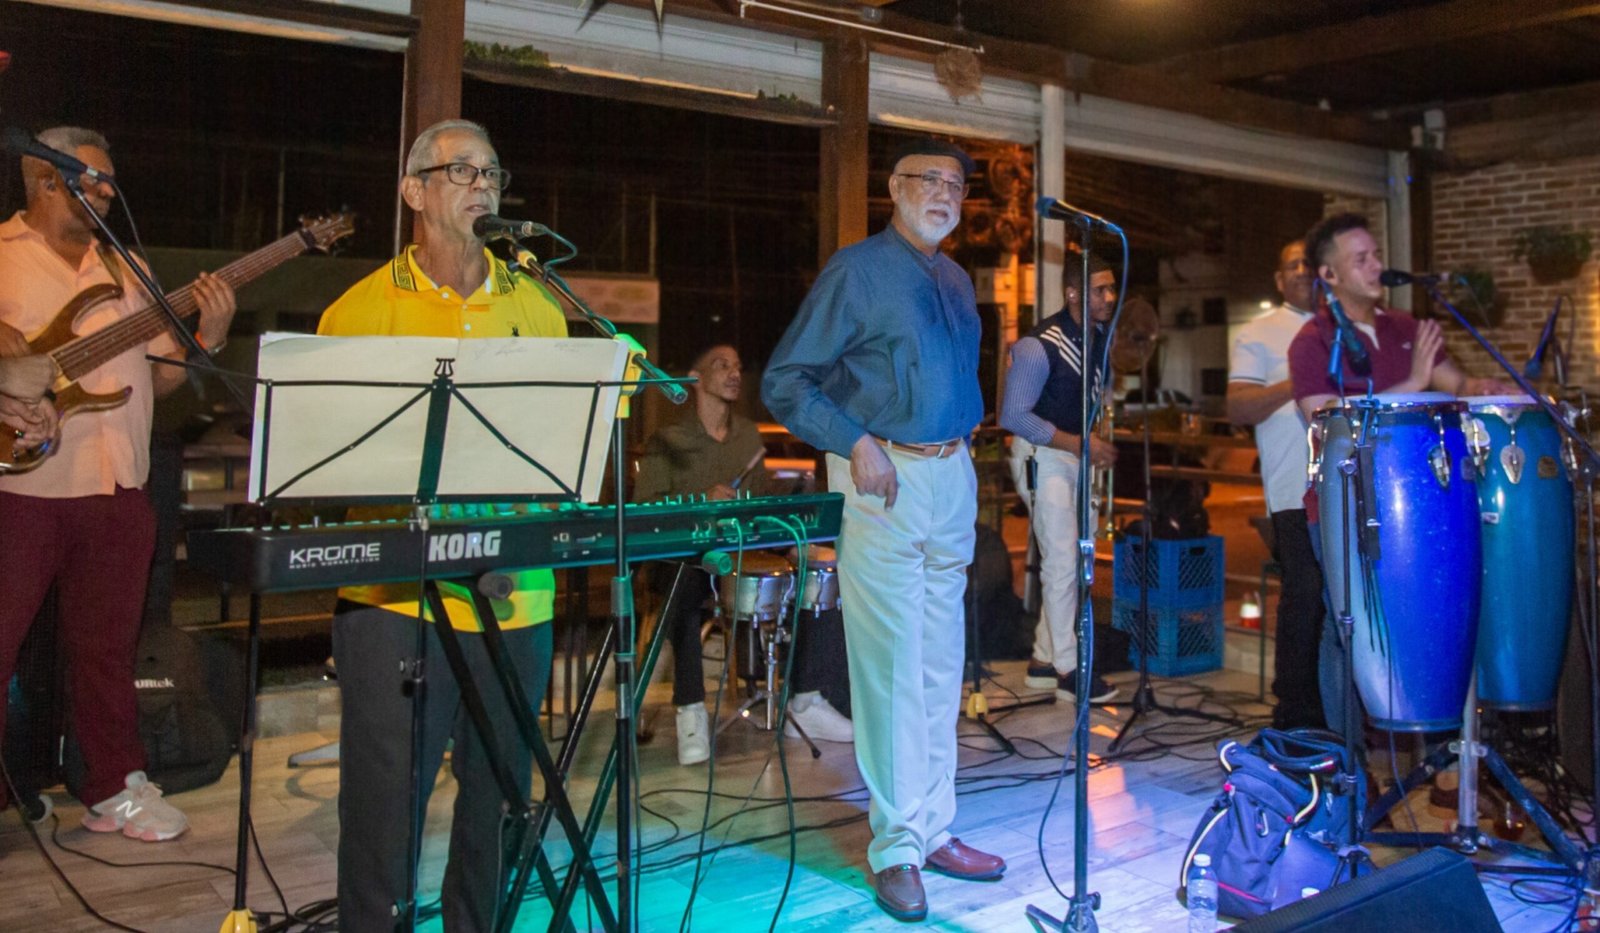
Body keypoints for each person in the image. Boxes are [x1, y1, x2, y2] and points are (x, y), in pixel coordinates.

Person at [316, 118, 566, 932]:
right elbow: (325, 454)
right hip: (398, 596)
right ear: (414, 190)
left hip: (514, 595)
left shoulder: (540, 304)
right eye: (461, 170)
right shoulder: (357, 310)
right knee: (385, 805)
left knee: (498, 802)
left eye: (491, 170)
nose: (482, 184)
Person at [763, 137, 1004, 924]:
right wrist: (854, 441)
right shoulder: (856, 270)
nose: (943, 192)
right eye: (926, 180)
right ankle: (896, 846)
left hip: (950, 472)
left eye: (955, 184)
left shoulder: (959, 280)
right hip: (882, 473)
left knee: (941, 664)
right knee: (892, 667)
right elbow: (786, 380)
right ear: (892, 190)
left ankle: (934, 828)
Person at [0, 126, 236, 840]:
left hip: (120, 488)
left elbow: (160, 378)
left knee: (107, 651)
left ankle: (113, 787)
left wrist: (211, 339)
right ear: (46, 182)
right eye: (92, 179)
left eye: (108, 178)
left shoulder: (127, 266)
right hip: (21, 489)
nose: (108, 190)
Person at [1287, 212, 1508, 733]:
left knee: (1429, 621)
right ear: (1330, 276)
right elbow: (1325, 417)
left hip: (1426, 502)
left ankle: (1436, 749)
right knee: (1347, 627)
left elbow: (1454, 384)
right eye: (1360, 259)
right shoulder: (1312, 341)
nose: (1377, 266)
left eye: (1377, 256)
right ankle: (1348, 763)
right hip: (1344, 504)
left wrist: (1486, 386)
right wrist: (1412, 381)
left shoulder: (1407, 328)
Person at [634, 343, 853, 766]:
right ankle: (690, 709)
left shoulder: (748, 436)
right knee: (685, 583)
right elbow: (648, 507)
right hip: (684, 554)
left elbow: (761, 498)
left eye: (738, 366)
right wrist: (702, 498)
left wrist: (792, 493)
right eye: (722, 365)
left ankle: (805, 699)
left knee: (820, 565)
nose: (735, 373)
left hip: (741, 548)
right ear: (697, 379)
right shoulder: (669, 440)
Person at [999, 255, 1120, 705]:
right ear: (1073, 294)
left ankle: (1044, 659)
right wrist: (1078, 443)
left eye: (1111, 289)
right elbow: (1013, 415)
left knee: (1070, 559)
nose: (1110, 298)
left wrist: (1091, 443)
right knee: (1063, 559)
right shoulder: (1039, 345)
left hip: (1071, 454)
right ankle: (1070, 668)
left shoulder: (1099, 339)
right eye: (1100, 290)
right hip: (1042, 455)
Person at [1226, 240, 1326, 730]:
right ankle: (1294, 712)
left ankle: (1341, 708)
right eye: (1294, 265)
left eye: (1311, 263)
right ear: (1279, 279)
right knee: (1305, 596)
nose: (1304, 271)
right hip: (1293, 489)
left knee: (1345, 605)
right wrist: (1301, 379)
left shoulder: (1344, 329)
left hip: (1350, 490)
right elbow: (1238, 407)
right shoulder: (1260, 333)